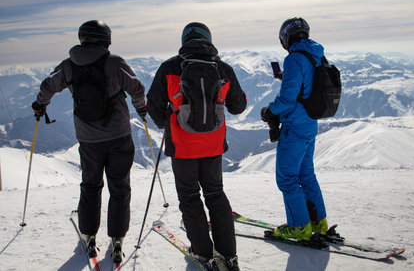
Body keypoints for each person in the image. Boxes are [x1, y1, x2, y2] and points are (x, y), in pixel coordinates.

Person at [31, 20, 147, 262]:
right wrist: (141, 109)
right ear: (106, 38)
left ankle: (89, 235)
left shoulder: (69, 65)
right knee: (120, 188)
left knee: (91, 185)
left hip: (88, 138)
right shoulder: (115, 63)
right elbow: (137, 88)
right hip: (118, 136)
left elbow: (49, 85)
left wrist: (41, 105)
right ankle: (117, 239)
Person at [146, 22, 247, 271]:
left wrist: (167, 123)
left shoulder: (169, 67)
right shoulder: (223, 69)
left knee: (190, 197)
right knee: (215, 194)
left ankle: (203, 254)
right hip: (213, 144)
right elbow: (239, 106)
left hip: (182, 146)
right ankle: (229, 256)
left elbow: (154, 105)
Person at [261, 17, 328, 242]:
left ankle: (300, 227)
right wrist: (285, 77)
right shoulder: (316, 55)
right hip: (310, 123)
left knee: (288, 179)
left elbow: (288, 99)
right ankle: (319, 222)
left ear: (286, 38)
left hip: (295, 126)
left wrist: (269, 111)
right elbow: (306, 85)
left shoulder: (293, 59)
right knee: (306, 174)